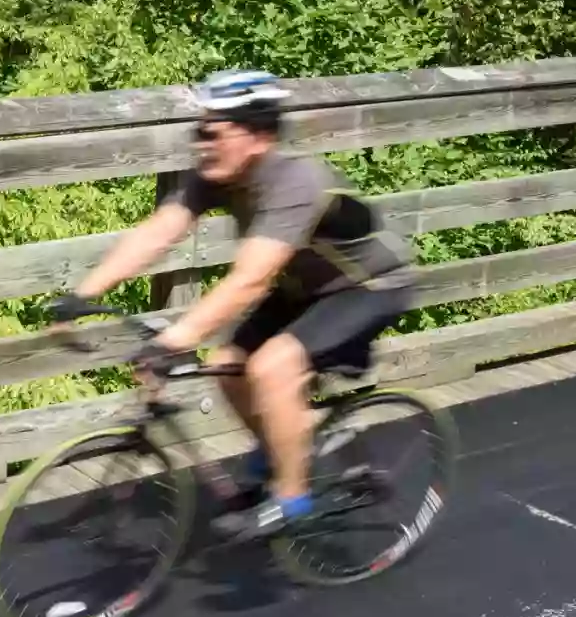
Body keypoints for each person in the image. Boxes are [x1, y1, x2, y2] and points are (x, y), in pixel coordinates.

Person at [54, 70, 418, 538]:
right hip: (301, 289)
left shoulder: (296, 182)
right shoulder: (217, 176)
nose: (201, 143)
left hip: (371, 286)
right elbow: (158, 232)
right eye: (197, 132)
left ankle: (291, 499)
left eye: (212, 132)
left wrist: (176, 338)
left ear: (258, 136)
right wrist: (85, 293)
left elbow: (249, 279)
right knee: (228, 365)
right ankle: (289, 446)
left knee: (273, 367)